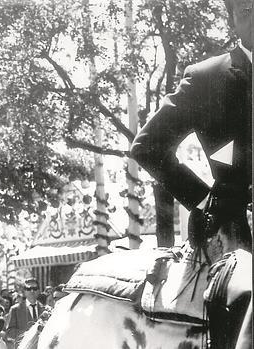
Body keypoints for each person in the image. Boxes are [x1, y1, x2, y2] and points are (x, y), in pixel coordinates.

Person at [130, 1, 252, 347]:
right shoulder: (206, 78)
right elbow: (147, 146)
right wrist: (205, 200)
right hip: (237, 231)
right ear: (232, 19)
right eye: (245, 10)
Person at [5, 278, 45, 348]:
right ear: (24, 291)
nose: (32, 291)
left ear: (39, 290)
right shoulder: (15, 309)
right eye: (28, 289)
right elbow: (9, 332)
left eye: (35, 288)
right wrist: (28, 334)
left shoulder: (45, 309)